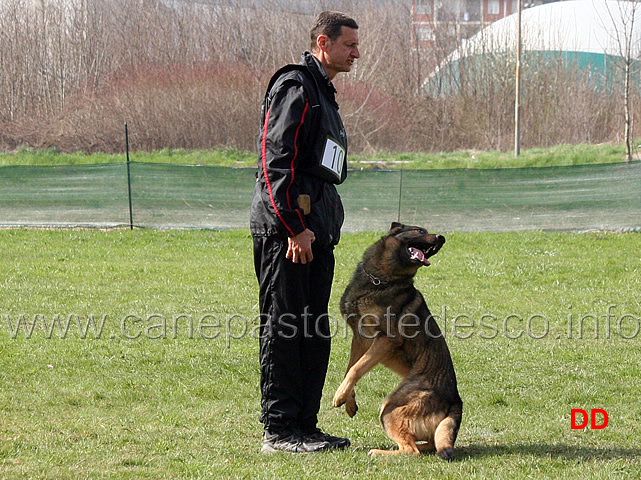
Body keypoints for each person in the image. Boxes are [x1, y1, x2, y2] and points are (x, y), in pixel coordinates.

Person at [250, 11, 360, 453]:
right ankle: (279, 430)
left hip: (316, 235)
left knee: (314, 330)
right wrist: (295, 228)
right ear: (323, 42)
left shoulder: (323, 93)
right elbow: (276, 163)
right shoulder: (296, 87)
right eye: (349, 44)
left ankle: (305, 428)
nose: (357, 53)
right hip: (289, 236)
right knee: (286, 327)